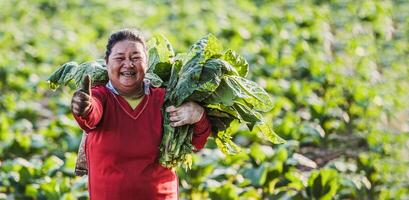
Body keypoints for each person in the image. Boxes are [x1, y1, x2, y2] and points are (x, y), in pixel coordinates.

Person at [71, 29, 211, 199]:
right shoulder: (101, 96)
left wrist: (199, 115)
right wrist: (83, 107)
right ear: (107, 64)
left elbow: (195, 143)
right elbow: (91, 115)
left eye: (136, 58)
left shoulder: (164, 98)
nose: (128, 64)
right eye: (120, 58)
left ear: (147, 64)